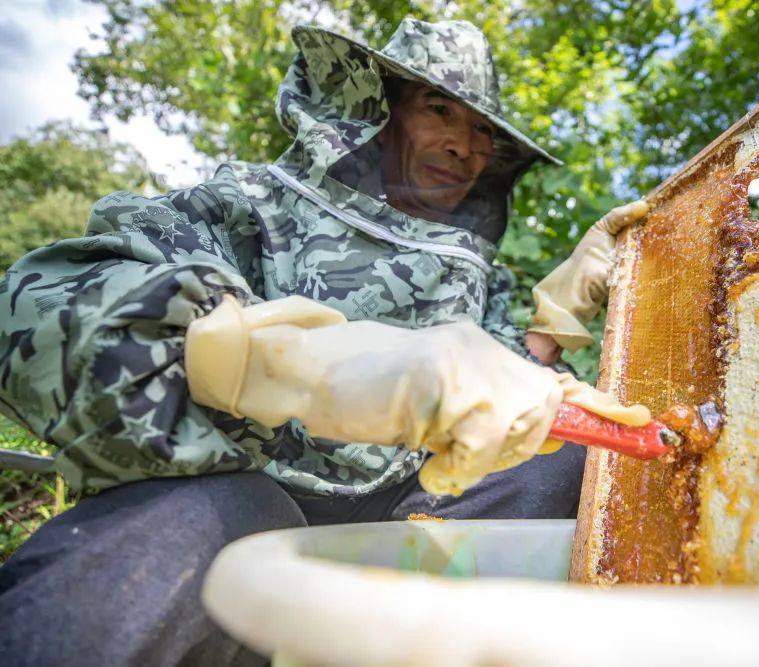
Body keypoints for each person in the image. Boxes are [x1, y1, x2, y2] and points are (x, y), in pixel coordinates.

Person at [0, 18, 648, 666]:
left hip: (416, 507)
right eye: (439, 108)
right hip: (251, 491)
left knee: (557, 460)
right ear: (378, 108)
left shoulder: (472, 271)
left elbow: (495, 402)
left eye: (482, 131)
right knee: (168, 543)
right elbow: (37, 310)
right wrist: (276, 365)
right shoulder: (250, 202)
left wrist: (556, 316)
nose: (462, 144)